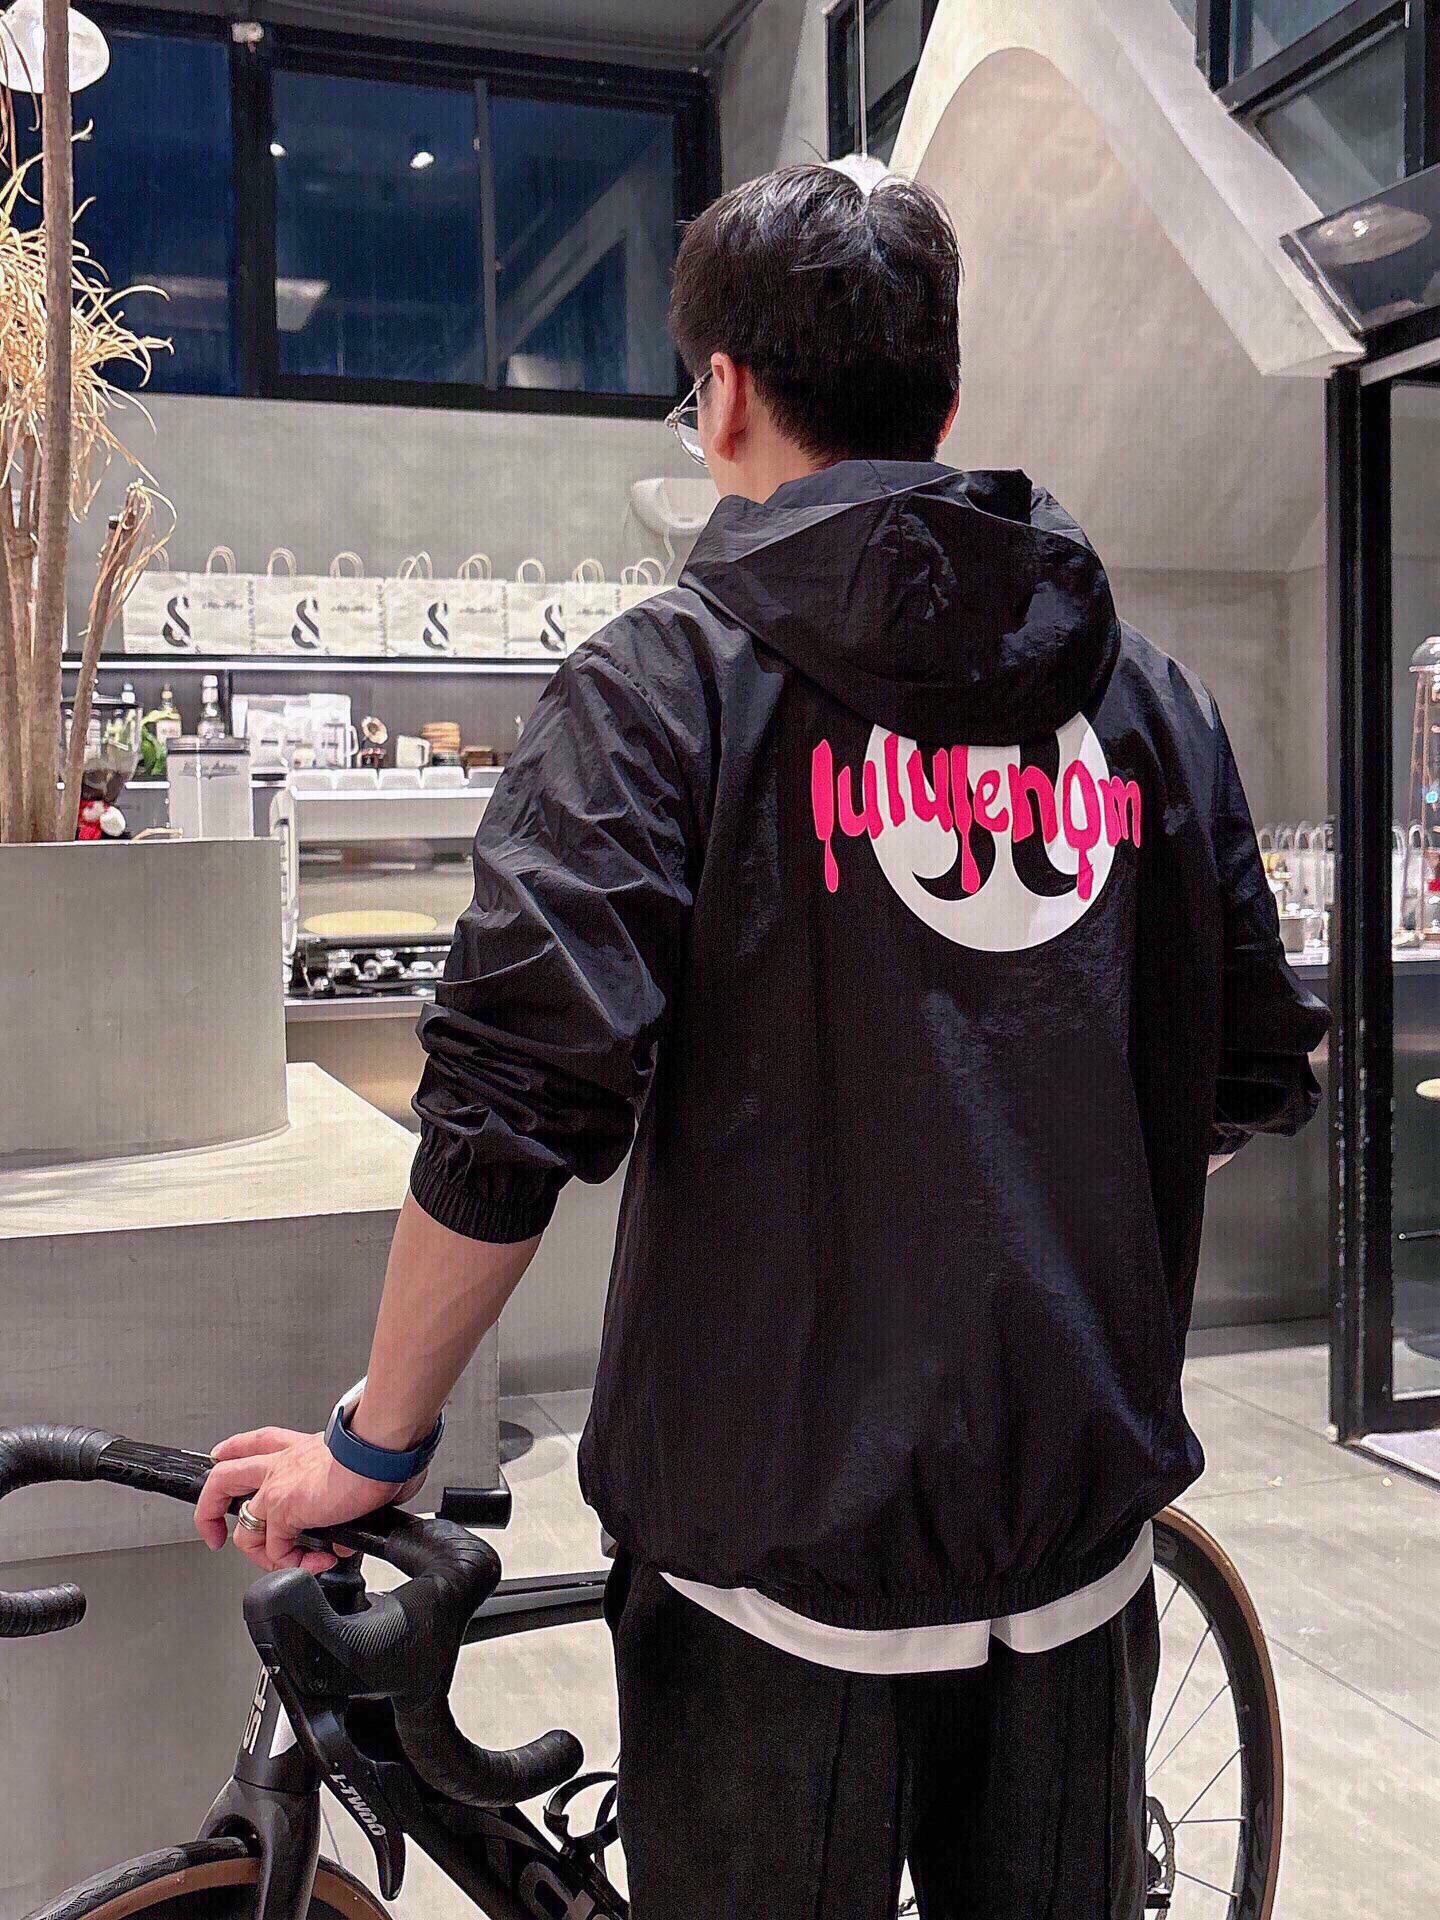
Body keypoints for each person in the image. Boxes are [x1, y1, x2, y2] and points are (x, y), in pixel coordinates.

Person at [198, 165, 1329, 1916]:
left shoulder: (661, 689)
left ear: (722, 392)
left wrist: (378, 1442)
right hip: (1077, 1543)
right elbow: (1246, 1071)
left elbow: (508, 1111)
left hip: (766, 1573)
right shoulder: (1148, 700)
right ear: (946, 396)